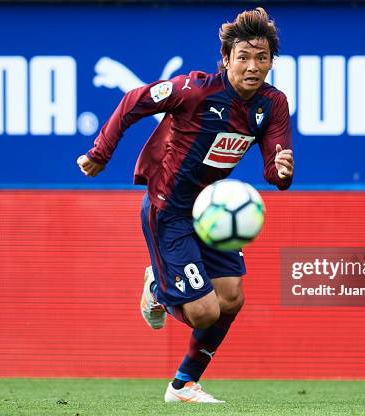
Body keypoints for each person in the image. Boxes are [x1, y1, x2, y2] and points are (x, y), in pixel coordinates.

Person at [77, 7, 294, 403]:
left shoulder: (272, 104)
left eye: (261, 58)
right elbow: (133, 101)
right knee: (204, 312)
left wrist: (282, 169)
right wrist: (100, 152)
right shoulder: (195, 90)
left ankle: (183, 385)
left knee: (231, 298)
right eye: (243, 57)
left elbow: (275, 173)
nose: (252, 66)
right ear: (226, 58)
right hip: (170, 209)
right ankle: (159, 288)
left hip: (211, 210)